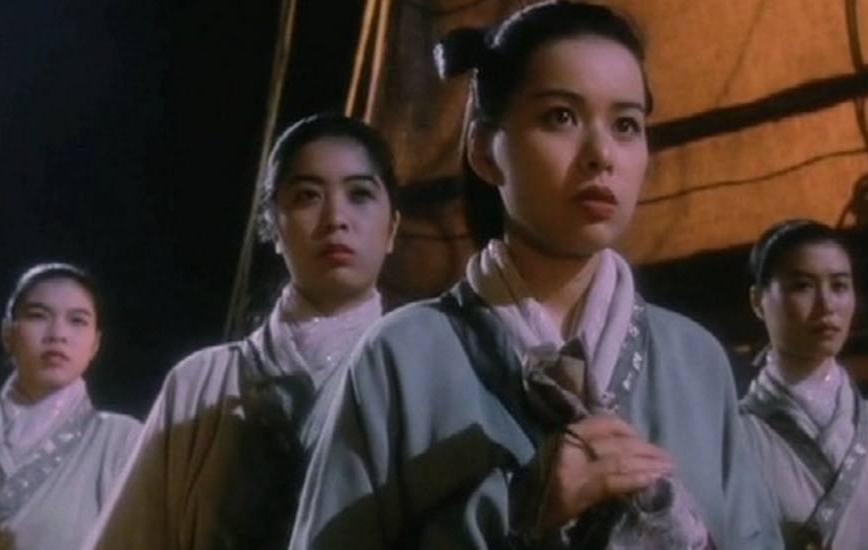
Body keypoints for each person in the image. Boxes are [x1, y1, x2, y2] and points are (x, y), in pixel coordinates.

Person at [289, 2, 781, 549]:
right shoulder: (401, 356)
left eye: (625, 125)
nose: (601, 155)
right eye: (560, 117)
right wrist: (518, 511)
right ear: (484, 150)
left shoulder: (695, 361)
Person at [86, 113, 401, 549]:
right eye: (308, 196)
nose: (336, 218)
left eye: (360, 194)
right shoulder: (199, 384)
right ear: (272, 226)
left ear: (392, 229)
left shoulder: (415, 378)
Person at [741, 219, 867, 548]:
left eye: (839, 286)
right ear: (758, 301)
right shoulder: (736, 433)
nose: (827, 305)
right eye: (803, 286)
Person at [0, 263, 141, 549]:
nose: (58, 334)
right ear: (7, 333)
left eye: (77, 320)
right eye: (38, 316)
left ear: (95, 344)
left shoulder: (123, 440)